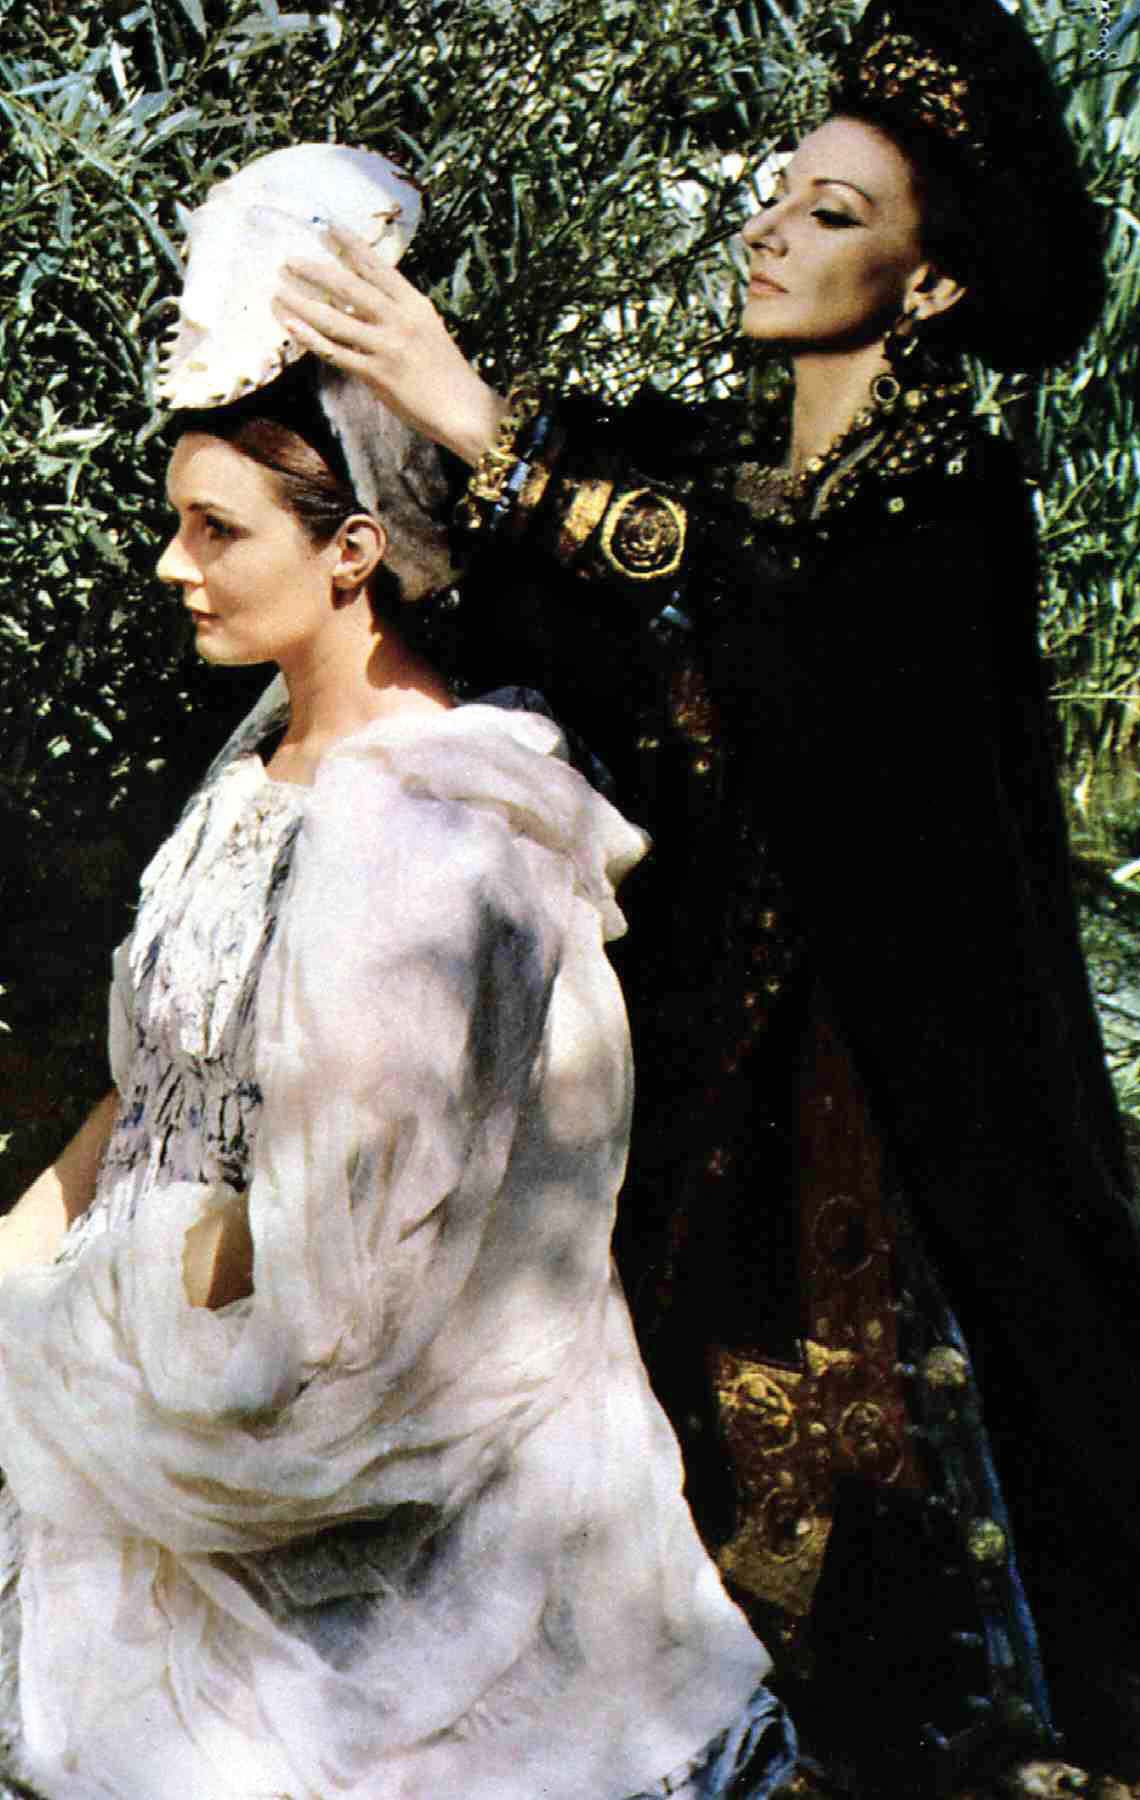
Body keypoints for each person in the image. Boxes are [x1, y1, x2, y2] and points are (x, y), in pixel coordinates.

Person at [271, 1, 1140, 1795]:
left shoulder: (946, 504)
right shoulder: (722, 464)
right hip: (696, 1054)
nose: (767, 228)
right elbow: (617, 597)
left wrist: (495, 435)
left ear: (928, 283)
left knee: (896, 1547)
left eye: (833, 213)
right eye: (779, 192)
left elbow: (777, 618)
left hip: (871, 1087)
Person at [0, 319, 796, 1793]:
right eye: (176, 522)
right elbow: (164, 1079)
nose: (173, 563)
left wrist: (96, 1331)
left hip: (304, 1389)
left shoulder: (434, 827)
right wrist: (22, 1249)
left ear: (353, 551)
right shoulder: (260, 765)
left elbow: (364, 1262)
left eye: (216, 529)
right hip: (158, 1296)